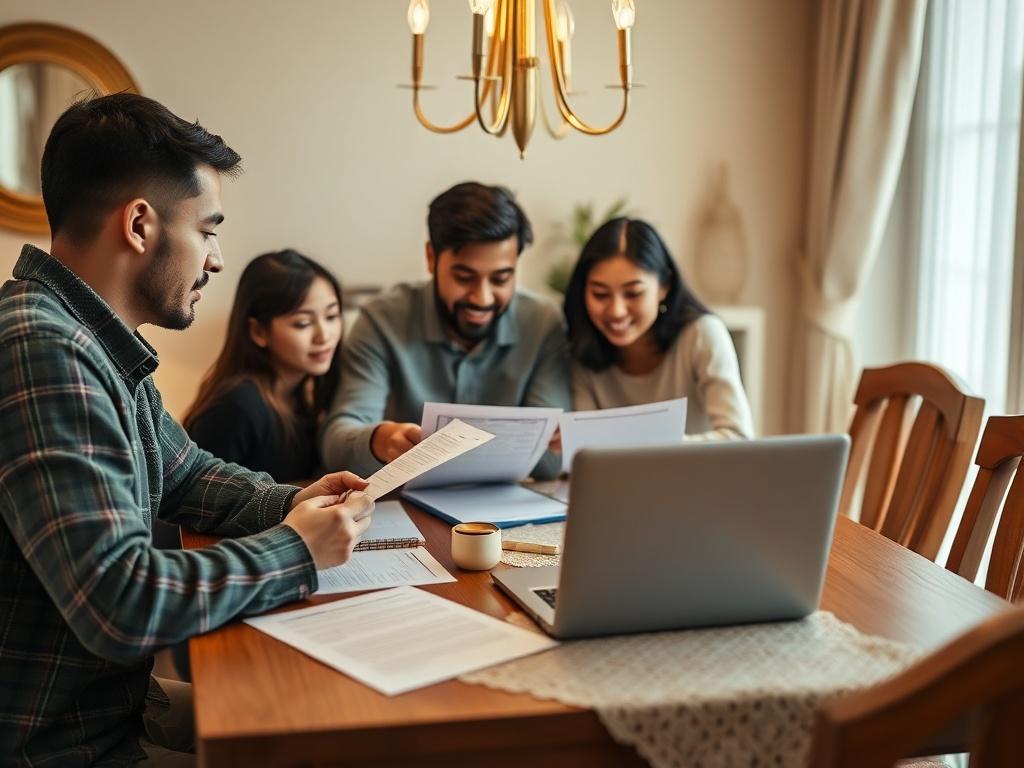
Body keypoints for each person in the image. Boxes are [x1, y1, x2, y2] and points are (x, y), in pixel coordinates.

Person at [0, 93, 373, 766]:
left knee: (331, 722)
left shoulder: (97, 342)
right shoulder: (42, 347)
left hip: (111, 710)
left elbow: (189, 473)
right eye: (207, 230)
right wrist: (296, 550)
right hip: (61, 746)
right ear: (140, 225)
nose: (218, 259)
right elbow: (120, 603)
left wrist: (293, 501)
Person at [321, 181, 571, 479]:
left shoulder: (543, 324)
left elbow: (550, 463)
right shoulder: (382, 320)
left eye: (501, 278)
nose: (483, 298)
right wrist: (378, 440)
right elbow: (336, 445)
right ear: (431, 258)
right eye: (464, 277)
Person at [563, 217, 754, 440]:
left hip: (697, 475)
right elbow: (587, 448)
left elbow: (738, 437)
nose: (616, 311)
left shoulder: (701, 335)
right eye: (600, 294)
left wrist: (642, 445)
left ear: (664, 287)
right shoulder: (581, 348)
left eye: (633, 293)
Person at [183, 250, 343, 483]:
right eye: (303, 323)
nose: (324, 335)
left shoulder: (304, 396)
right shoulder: (236, 408)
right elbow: (200, 506)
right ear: (259, 331)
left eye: (332, 316)